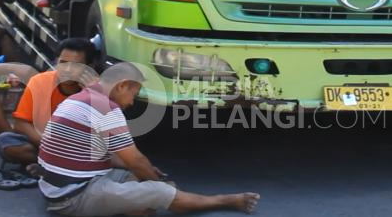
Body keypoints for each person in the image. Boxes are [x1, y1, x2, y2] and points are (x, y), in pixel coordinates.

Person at [36, 63, 261, 216]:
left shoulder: (80, 99)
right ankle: (225, 200)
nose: (132, 101)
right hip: (70, 198)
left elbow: (100, 156)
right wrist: (156, 182)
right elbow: (135, 159)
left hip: (59, 187)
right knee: (159, 191)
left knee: (139, 179)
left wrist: (147, 173)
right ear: (122, 84)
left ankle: (135, 204)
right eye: (134, 93)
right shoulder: (105, 108)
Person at [0, 38, 99, 166]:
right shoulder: (39, 82)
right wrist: (51, 145)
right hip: (44, 144)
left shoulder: (98, 90)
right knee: (5, 141)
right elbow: (21, 124)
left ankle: (51, 166)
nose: (67, 69)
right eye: (63, 63)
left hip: (79, 148)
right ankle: (56, 165)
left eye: (76, 65)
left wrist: (93, 96)